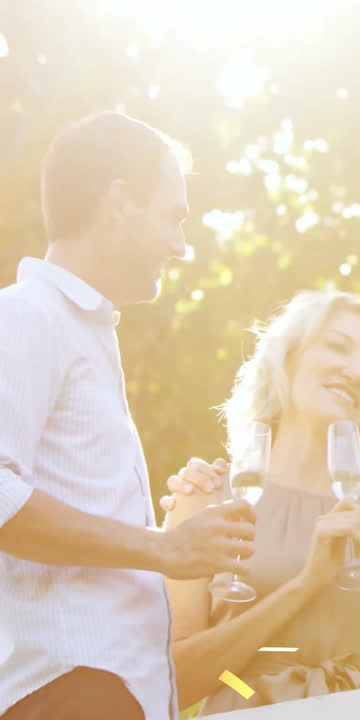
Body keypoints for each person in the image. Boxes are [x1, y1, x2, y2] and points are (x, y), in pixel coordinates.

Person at [0, 111, 255, 720]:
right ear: (119, 203)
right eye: (174, 216)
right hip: (72, 690)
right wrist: (163, 548)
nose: (182, 245)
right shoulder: (26, 316)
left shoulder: (79, 334)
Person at [158, 290, 360, 714]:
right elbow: (172, 683)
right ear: (286, 359)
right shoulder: (205, 498)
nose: (356, 371)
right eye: (338, 347)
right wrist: (306, 584)